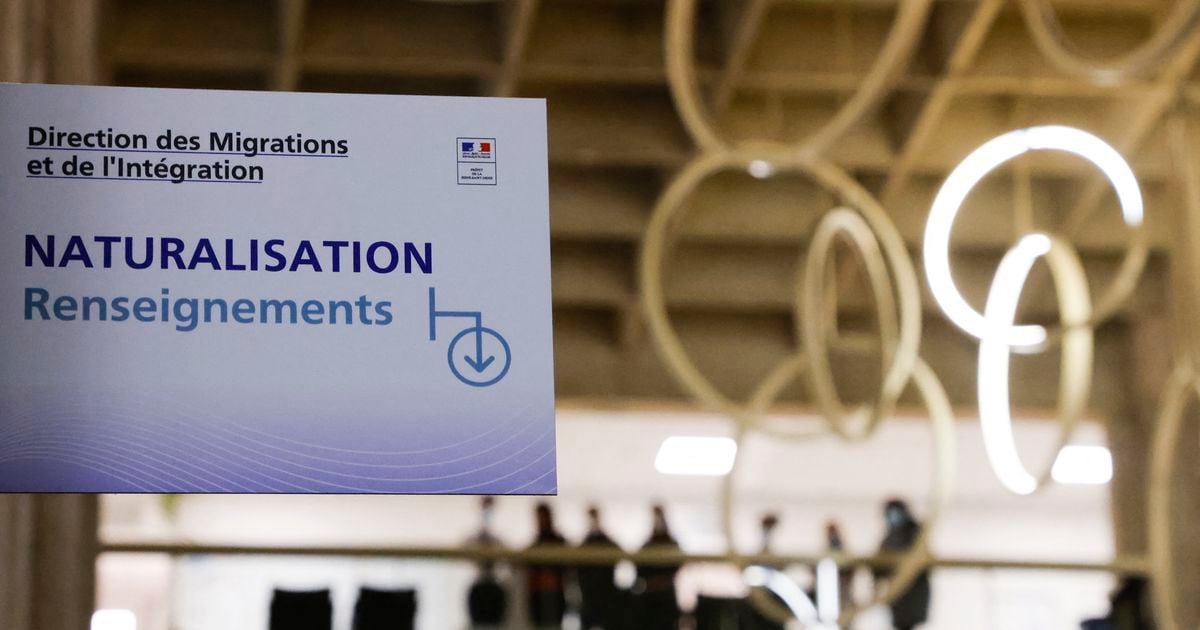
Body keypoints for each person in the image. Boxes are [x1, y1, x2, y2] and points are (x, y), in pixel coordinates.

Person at [874, 499, 931, 630]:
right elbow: (879, 564)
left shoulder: (916, 534)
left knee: (908, 622)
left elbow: (923, 561)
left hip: (913, 592)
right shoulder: (888, 537)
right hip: (896, 594)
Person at [635, 504, 682, 630]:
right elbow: (639, 567)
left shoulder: (670, 543)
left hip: (665, 596)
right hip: (652, 597)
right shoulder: (648, 544)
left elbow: (677, 565)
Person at [576, 505, 623, 629]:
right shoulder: (586, 543)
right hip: (589, 596)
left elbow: (619, 553)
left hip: (606, 596)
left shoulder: (605, 541)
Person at [526, 502, 568, 629]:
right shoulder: (536, 541)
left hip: (554, 593)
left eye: (543, 517)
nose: (540, 521)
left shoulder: (558, 541)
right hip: (538, 593)